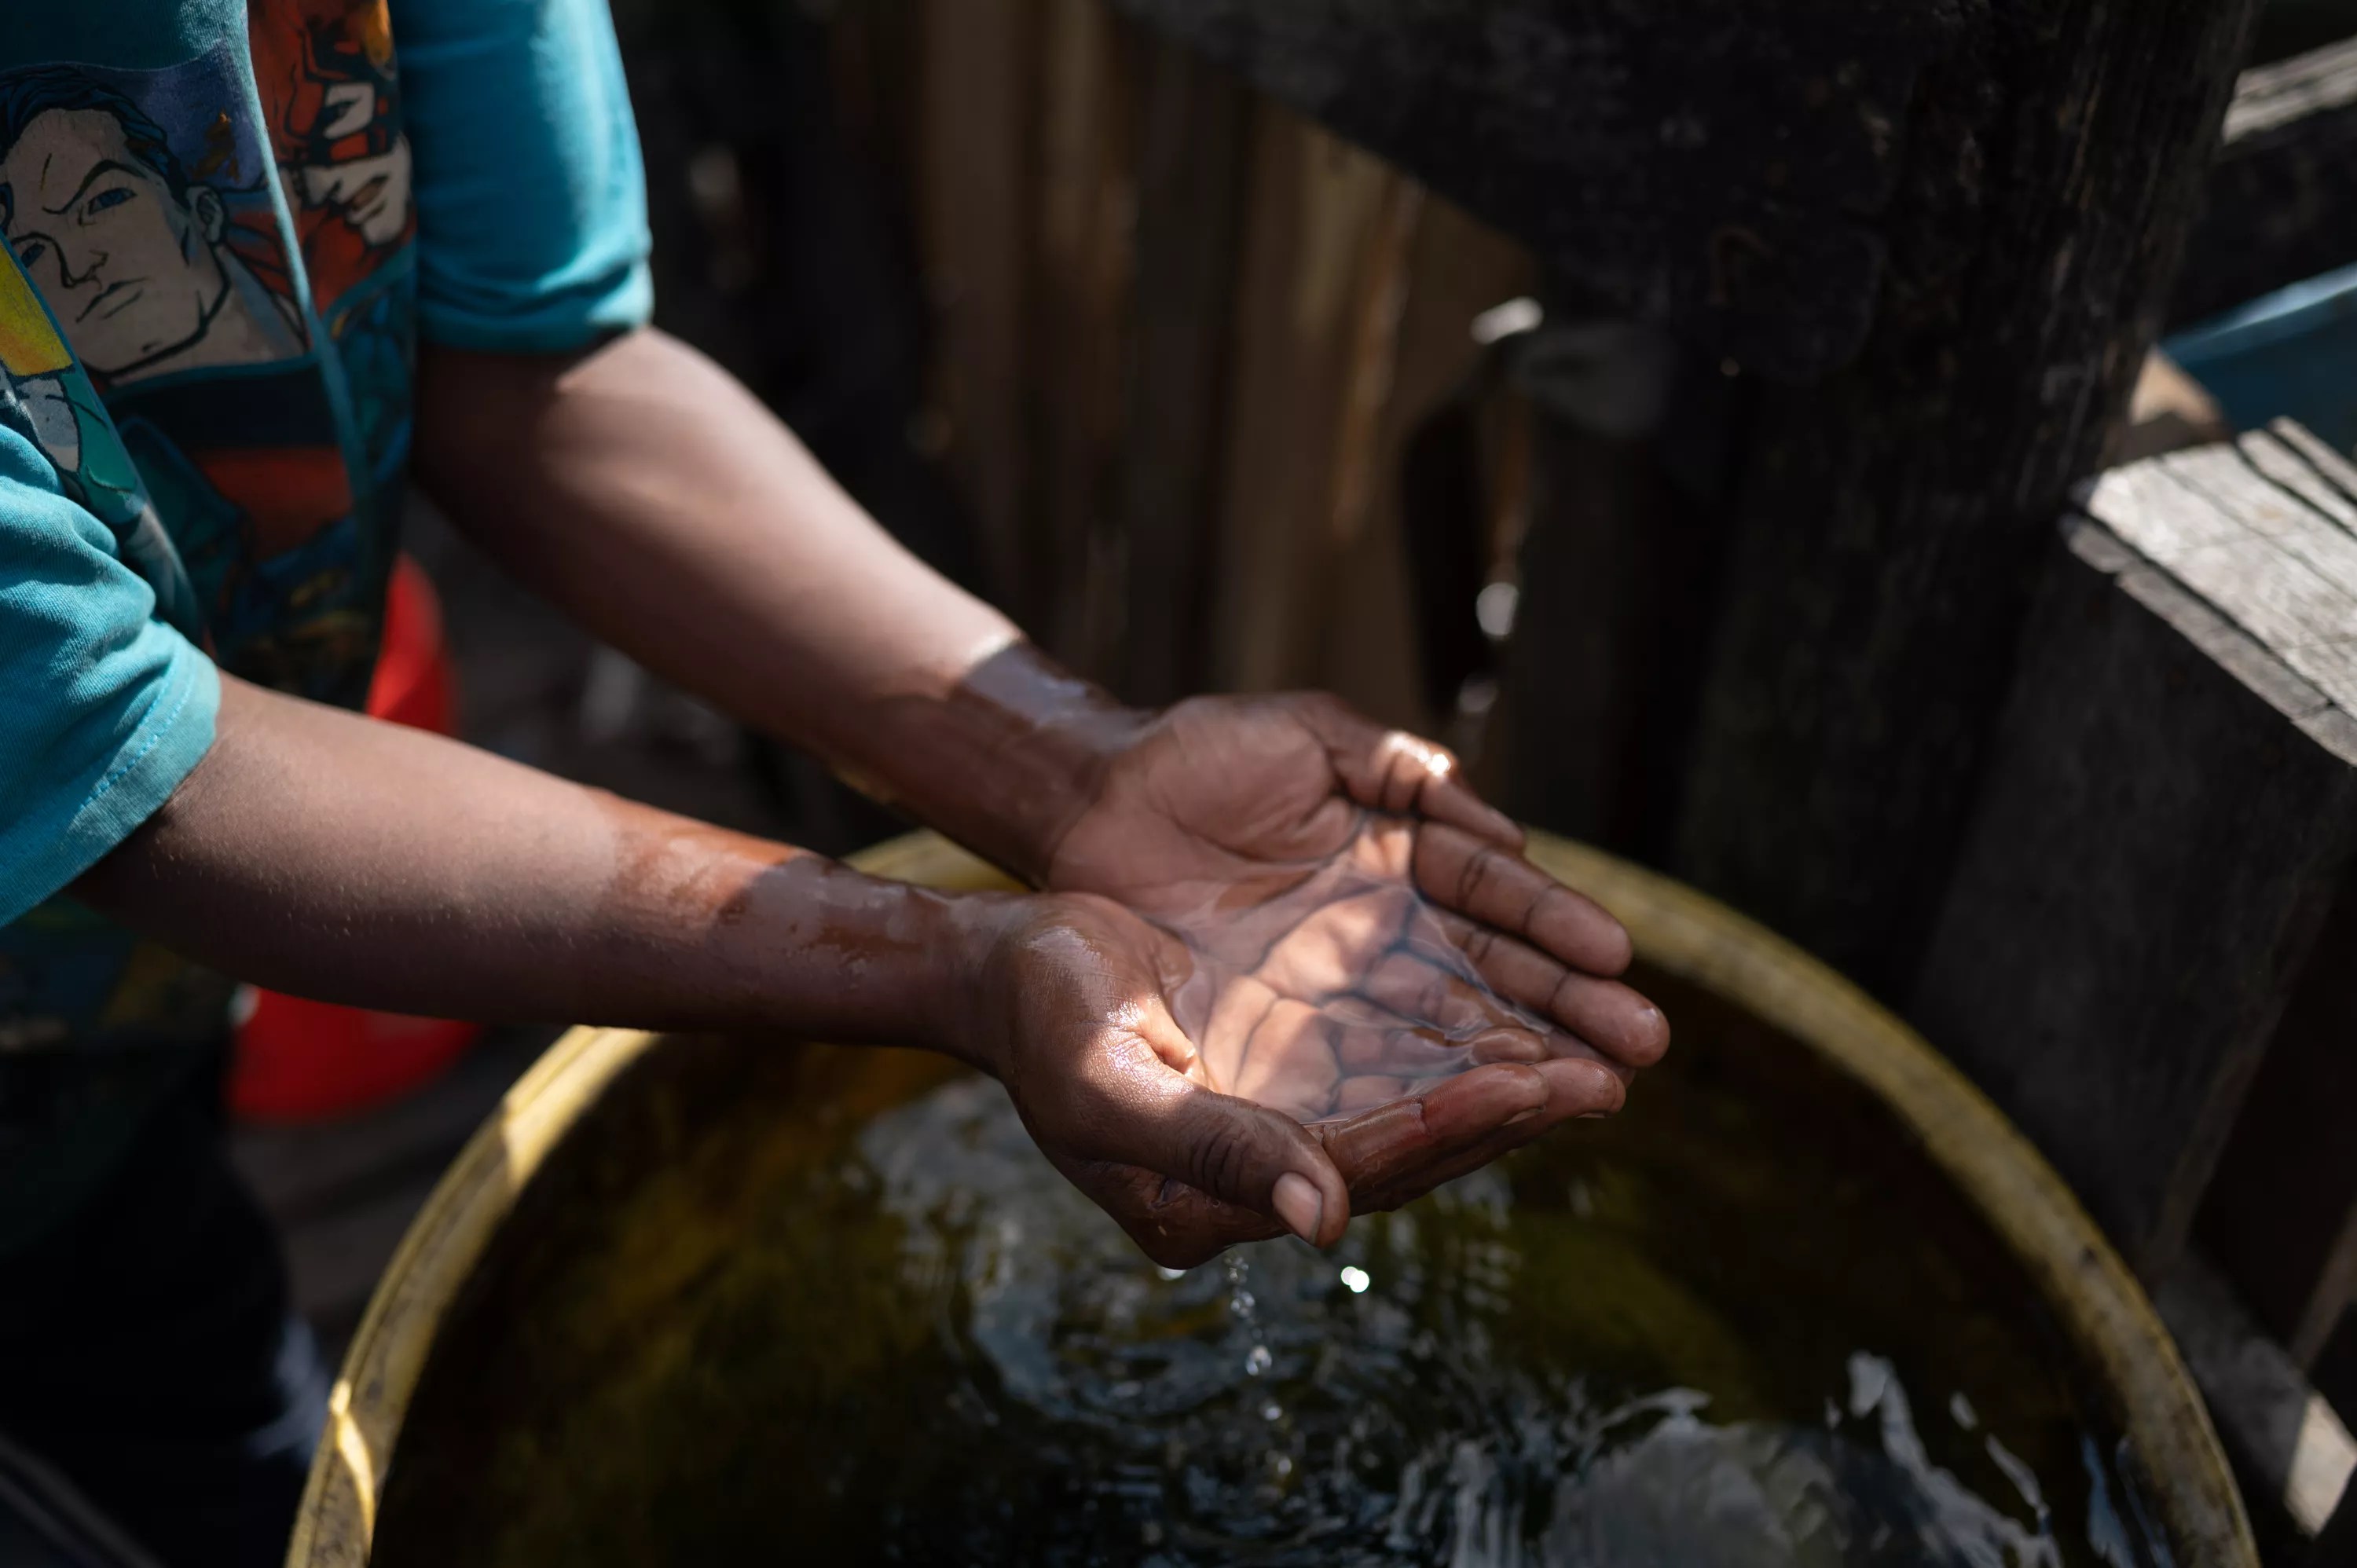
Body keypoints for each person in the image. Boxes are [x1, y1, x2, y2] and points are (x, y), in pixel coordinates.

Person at [0, 1, 1669, 1564]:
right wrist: (960, 962)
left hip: (120, 1033)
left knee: (180, 1379)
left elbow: (536, 375)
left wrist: (1081, 768)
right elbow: (136, 759)